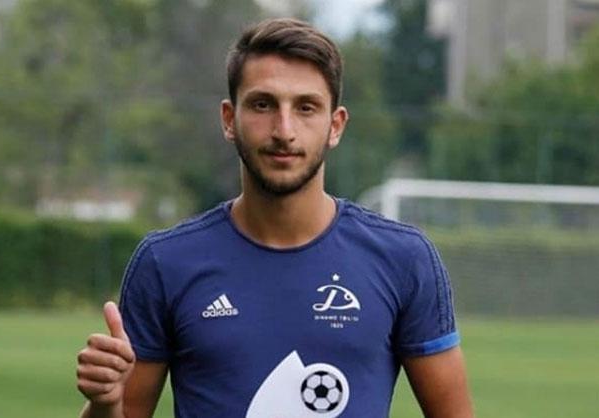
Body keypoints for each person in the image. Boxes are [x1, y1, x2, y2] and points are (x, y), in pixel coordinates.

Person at [76, 18, 474, 418]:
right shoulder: (166, 262)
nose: (284, 130)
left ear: (335, 126)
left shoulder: (404, 258)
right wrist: (103, 404)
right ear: (229, 119)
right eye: (263, 105)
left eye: (306, 107)